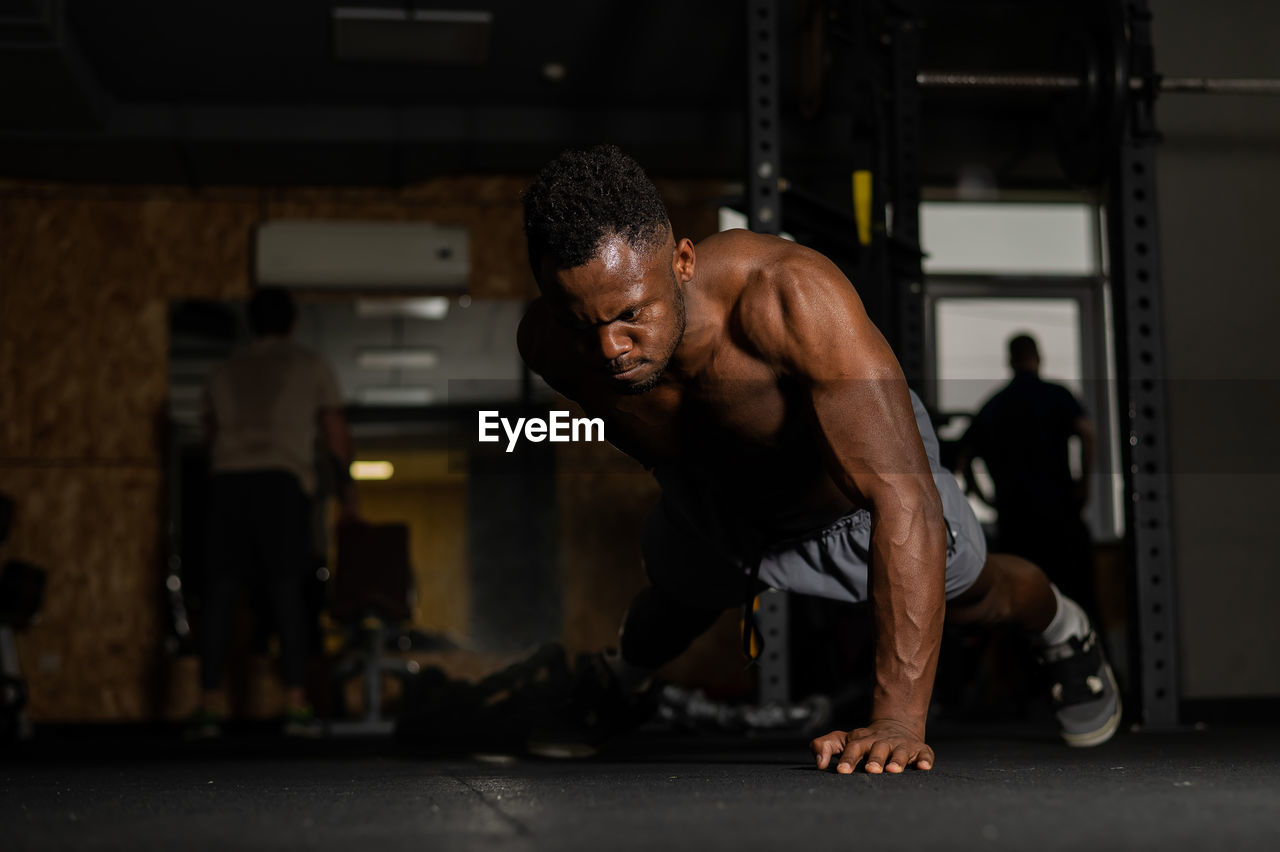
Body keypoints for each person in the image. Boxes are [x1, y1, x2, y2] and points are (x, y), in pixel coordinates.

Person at [516, 145, 1121, 773]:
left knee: (978, 592)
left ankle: (1064, 630)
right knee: (671, 604)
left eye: (630, 314)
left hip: (850, 499)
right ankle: (619, 684)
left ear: (684, 260)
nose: (610, 348)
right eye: (581, 324)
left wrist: (896, 719)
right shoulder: (549, 345)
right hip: (718, 500)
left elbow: (901, 500)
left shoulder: (788, 297)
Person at [191, 287, 358, 738]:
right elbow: (335, 436)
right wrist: (348, 498)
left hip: (226, 483)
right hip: (281, 484)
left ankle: (208, 706)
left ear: (252, 323)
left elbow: (208, 441)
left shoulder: (221, 371)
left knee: (221, 596)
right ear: (293, 323)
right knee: (287, 593)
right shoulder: (310, 364)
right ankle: (294, 704)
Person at [956, 334, 1097, 613]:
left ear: (1009, 360)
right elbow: (1087, 433)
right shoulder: (1057, 395)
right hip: (1060, 515)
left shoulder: (994, 405)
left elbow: (963, 457)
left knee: (1020, 609)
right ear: (1039, 357)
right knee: (1077, 602)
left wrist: (984, 498)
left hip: (1016, 521)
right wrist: (1084, 484)